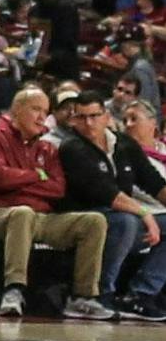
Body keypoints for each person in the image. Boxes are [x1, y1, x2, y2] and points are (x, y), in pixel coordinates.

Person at [0, 87, 109, 318]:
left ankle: (83, 297)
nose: (42, 117)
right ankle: (14, 290)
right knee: (22, 213)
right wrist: (36, 175)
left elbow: (57, 188)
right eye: (36, 109)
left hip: (42, 218)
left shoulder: (47, 147)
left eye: (45, 111)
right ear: (16, 111)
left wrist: (17, 179)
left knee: (94, 221)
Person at [58, 92, 166, 320]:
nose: (89, 123)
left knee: (131, 221)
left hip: (126, 219)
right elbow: (108, 194)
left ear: (106, 116)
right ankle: (97, 295)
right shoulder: (72, 147)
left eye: (94, 116)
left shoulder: (124, 144)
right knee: (125, 221)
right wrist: (146, 216)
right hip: (86, 219)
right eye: (82, 117)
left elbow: (154, 183)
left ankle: (140, 294)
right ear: (74, 119)